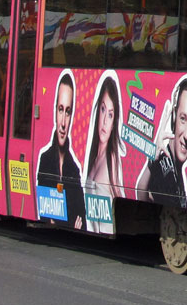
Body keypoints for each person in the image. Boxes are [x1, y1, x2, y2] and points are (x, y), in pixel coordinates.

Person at [136, 76, 187, 208]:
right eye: (183, 119)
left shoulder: (176, 170)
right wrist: (152, 161)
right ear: (174, 119)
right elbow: (142, 195)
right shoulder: (164, 167)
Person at [37, 72, 85, 229]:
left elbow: (81, 219)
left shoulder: (75, 169)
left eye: (68, 112)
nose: (63, 122)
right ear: (54, 111)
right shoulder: (44, 159)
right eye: (60, 109)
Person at [83, 76, 124, 234]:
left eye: (111, 115)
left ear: (114, 123)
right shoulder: (93, 158)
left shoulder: (111, 160)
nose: (105, 121)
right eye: (103, 110)